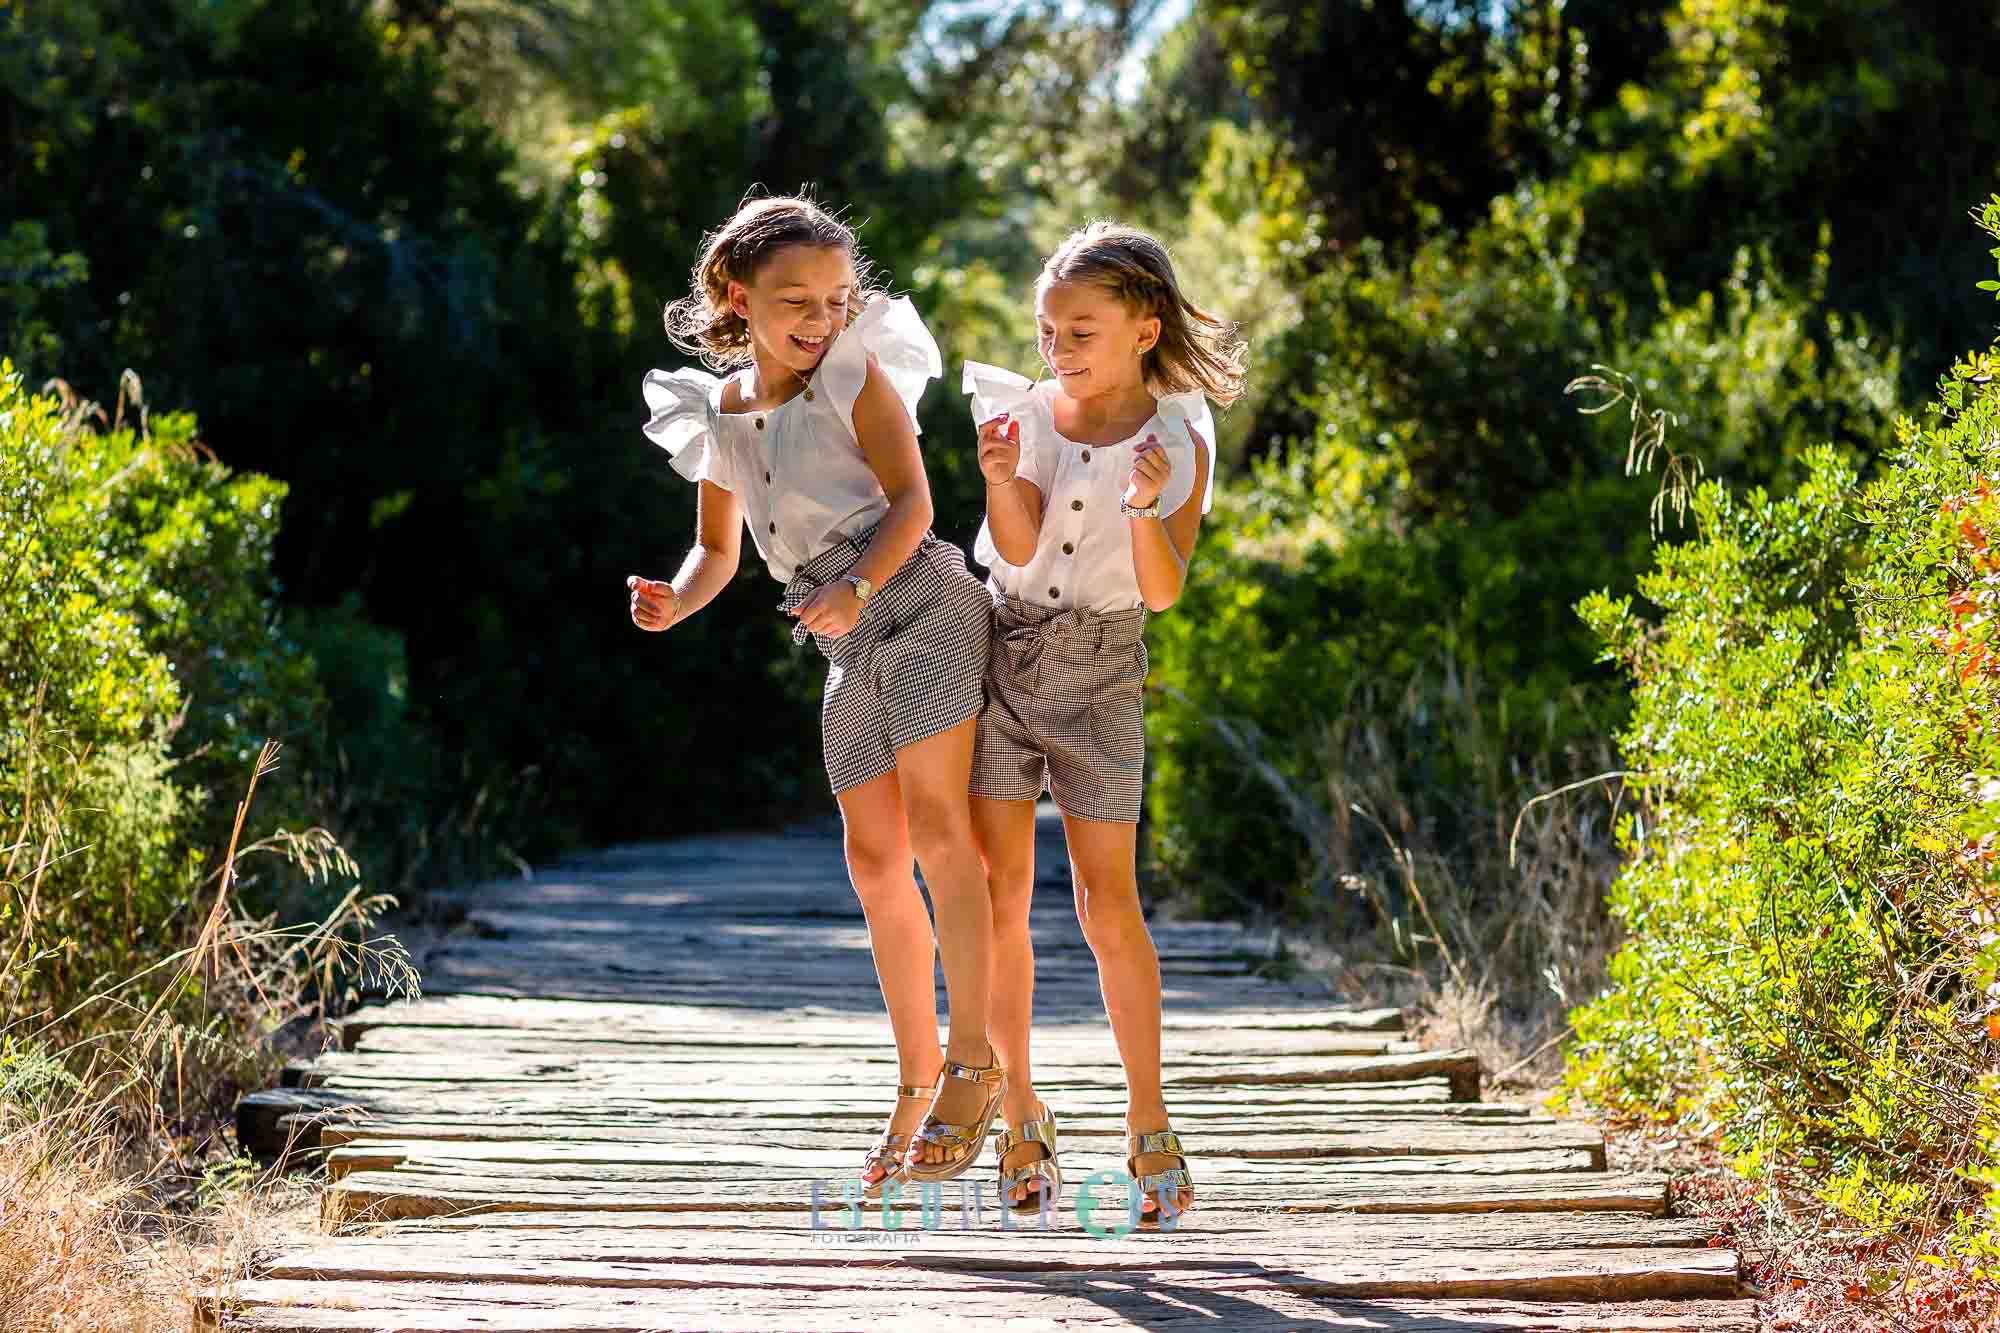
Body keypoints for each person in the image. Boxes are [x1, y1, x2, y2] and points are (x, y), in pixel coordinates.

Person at [627, 195, 1003, 1196]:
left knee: (934, 832)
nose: (821, 317)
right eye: (797, 299)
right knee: (871, 857)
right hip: (838, 631)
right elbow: (716, 549)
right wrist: (678, 599)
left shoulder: (853, 374)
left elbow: (916, 503)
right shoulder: (717, 413)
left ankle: (974, 1062)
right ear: (734, 295)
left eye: (838, 298)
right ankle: (915, 1074)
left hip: (913, 597)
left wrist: (858, 586)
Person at [913, 221, 1246, 1226]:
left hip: (1104, 671)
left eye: (1081, 330)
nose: (1057, 347)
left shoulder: (1178, 438)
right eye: (1047, 328)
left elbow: (1163, 592)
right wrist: (998, 477)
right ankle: (1020, 1111)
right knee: (1001, 896)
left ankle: (1149, 1115)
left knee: (1109, 905)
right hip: (1004, 654)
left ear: (1145, 329)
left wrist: (1145, 508)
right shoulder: (1024, 412)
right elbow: (1008, 546)